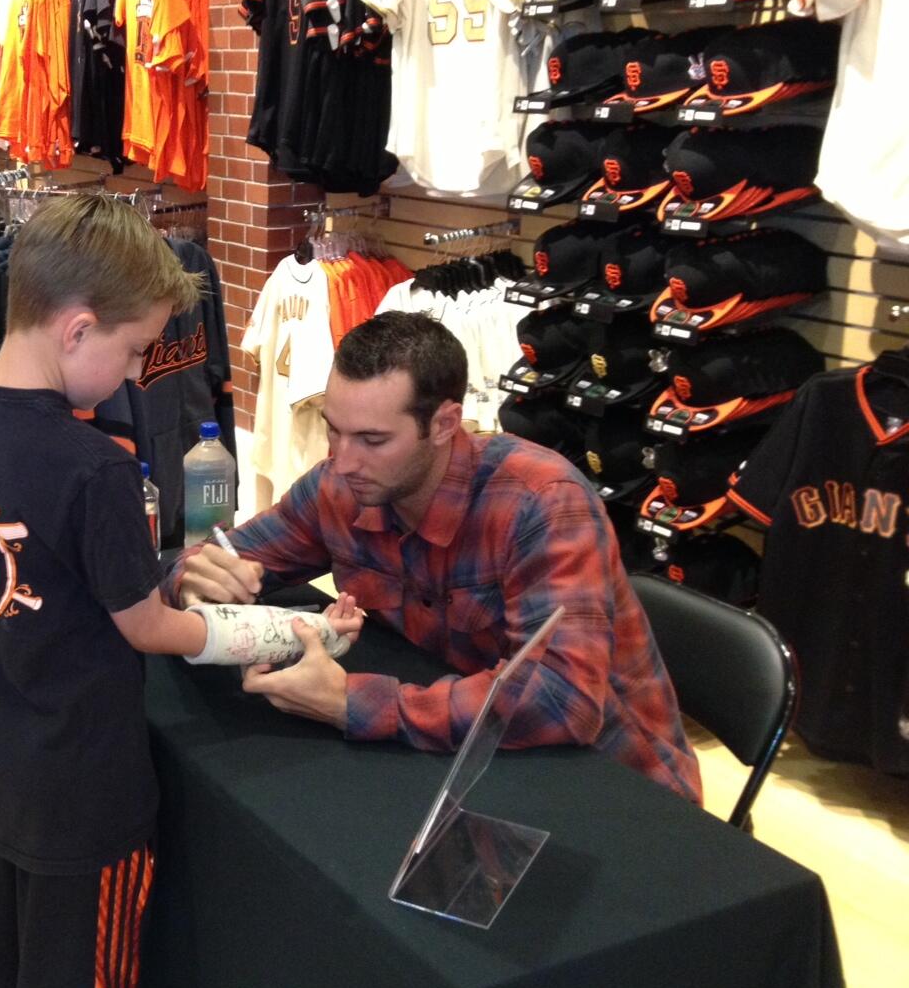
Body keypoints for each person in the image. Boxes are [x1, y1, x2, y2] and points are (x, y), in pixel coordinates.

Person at [0, 195, 362, 988]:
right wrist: (284, 630)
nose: (130, 376)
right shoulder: (94, 464)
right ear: (77, 329)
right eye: (129, 353)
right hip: (80, 792)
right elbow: (149, 631)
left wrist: (166, 570)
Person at [167, 312, 704, 803]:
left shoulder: (542, 503)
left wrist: (352, 702)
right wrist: (196, 579)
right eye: (334, 429)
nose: (342, 459)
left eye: (373, 440)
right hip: (464, 767)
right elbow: (221, 560)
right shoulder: (343, 485)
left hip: (614, 787)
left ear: (445, 424)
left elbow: (560, 700)